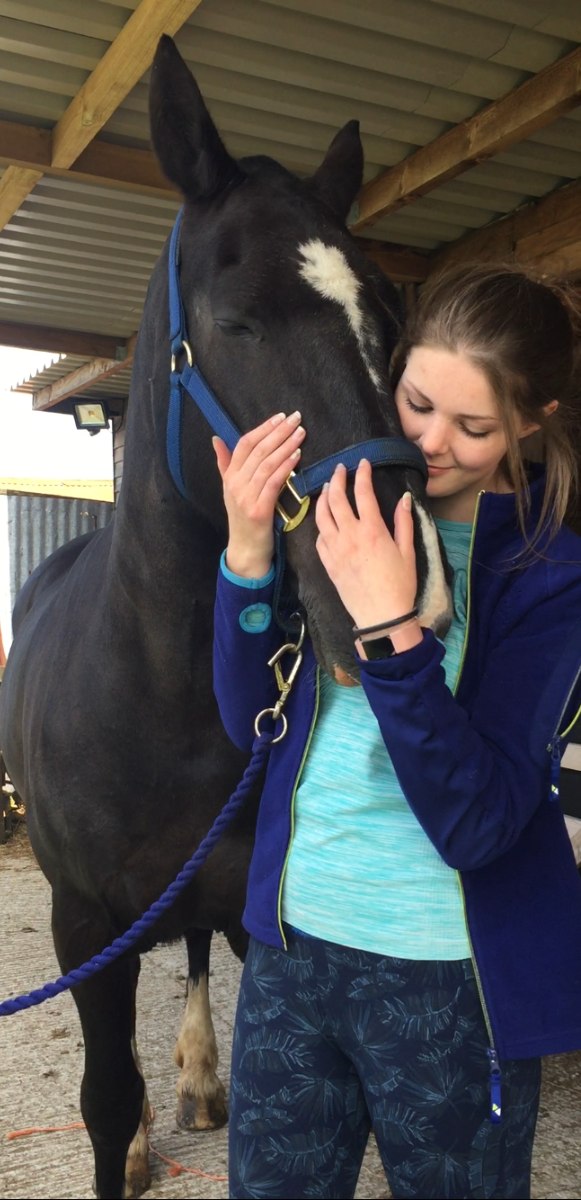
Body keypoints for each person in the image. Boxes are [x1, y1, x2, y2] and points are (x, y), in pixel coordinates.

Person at [211, 265, 581, 1200]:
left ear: (532, 422)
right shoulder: (345, 504)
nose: (431, 443)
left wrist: (391, 631)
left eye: (475, 426)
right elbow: (247, 717)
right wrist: (248, 553)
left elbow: (480, 821)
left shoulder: (550, 574)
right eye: (416, 403)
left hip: (452, 982)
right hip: (291, 953)